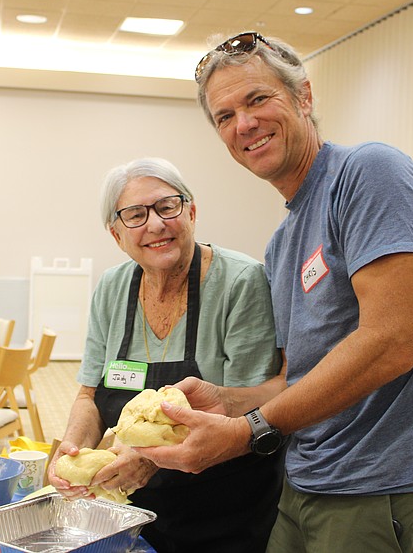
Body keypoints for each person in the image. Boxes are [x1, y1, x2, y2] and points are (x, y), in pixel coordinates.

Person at [137, 33, 413, 552]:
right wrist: (228, 403)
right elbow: (297, 380)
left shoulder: (368, 174)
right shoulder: (283, 242)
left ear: (304, 97)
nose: (243, 124)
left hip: (386, 488)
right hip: (306, 486)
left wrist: (248, 431)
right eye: (224, 116)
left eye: (257, 99)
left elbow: (390, 342)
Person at [46, 157, 285, 553]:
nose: (155, 224)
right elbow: (89, 397)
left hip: (225, 511)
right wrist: (71, 451)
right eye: (135, 215)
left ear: (191, 212)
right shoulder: (112, 288)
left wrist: (149, 458)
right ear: (116, 234)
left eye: (167, 207)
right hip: (132, 516)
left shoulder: (240, 282)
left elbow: (253, 408)